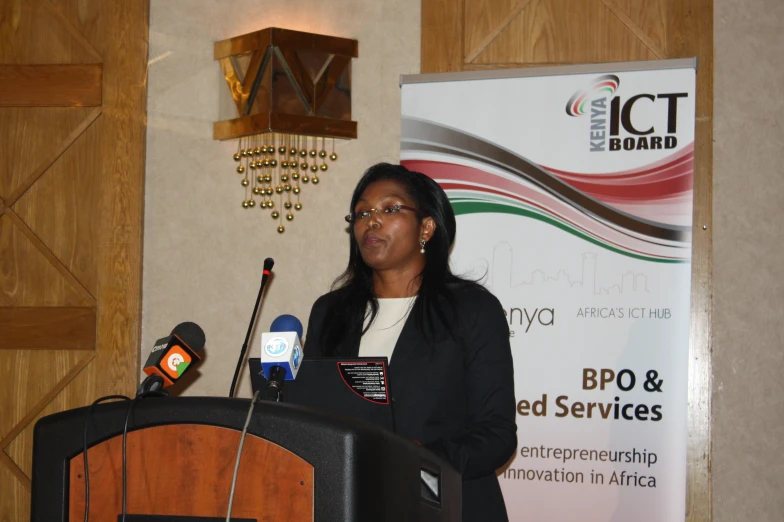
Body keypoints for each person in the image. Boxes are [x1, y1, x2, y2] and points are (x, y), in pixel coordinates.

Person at [304, 162, 517, 521]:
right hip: (348, 504)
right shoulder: (331, 312)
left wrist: (423, 459)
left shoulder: (471, 309)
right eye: (361, 213)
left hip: (447, 505)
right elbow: (313, 414)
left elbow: (497, 435)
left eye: (390, 209)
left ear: (427, 227)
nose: (371, 221)